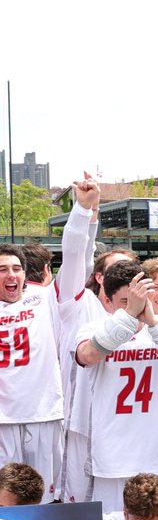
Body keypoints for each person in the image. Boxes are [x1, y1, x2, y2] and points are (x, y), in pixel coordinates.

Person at [74, 261, 158, 515]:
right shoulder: (93, 328)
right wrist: (128, 317)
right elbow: (87, 355)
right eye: (125, 301)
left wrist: (152, 320)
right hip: (112, 460)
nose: (136, 306)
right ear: (107, 302)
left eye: (141, 298)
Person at [0, 184, 94, 501]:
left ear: (26, 275)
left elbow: (74, 259)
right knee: (5, 501)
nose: (10, 275)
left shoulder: (45, 300)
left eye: (16, 268)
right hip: (2, 419)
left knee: (43, 498)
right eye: (2, 270)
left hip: (44, 414)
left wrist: (81, 213)